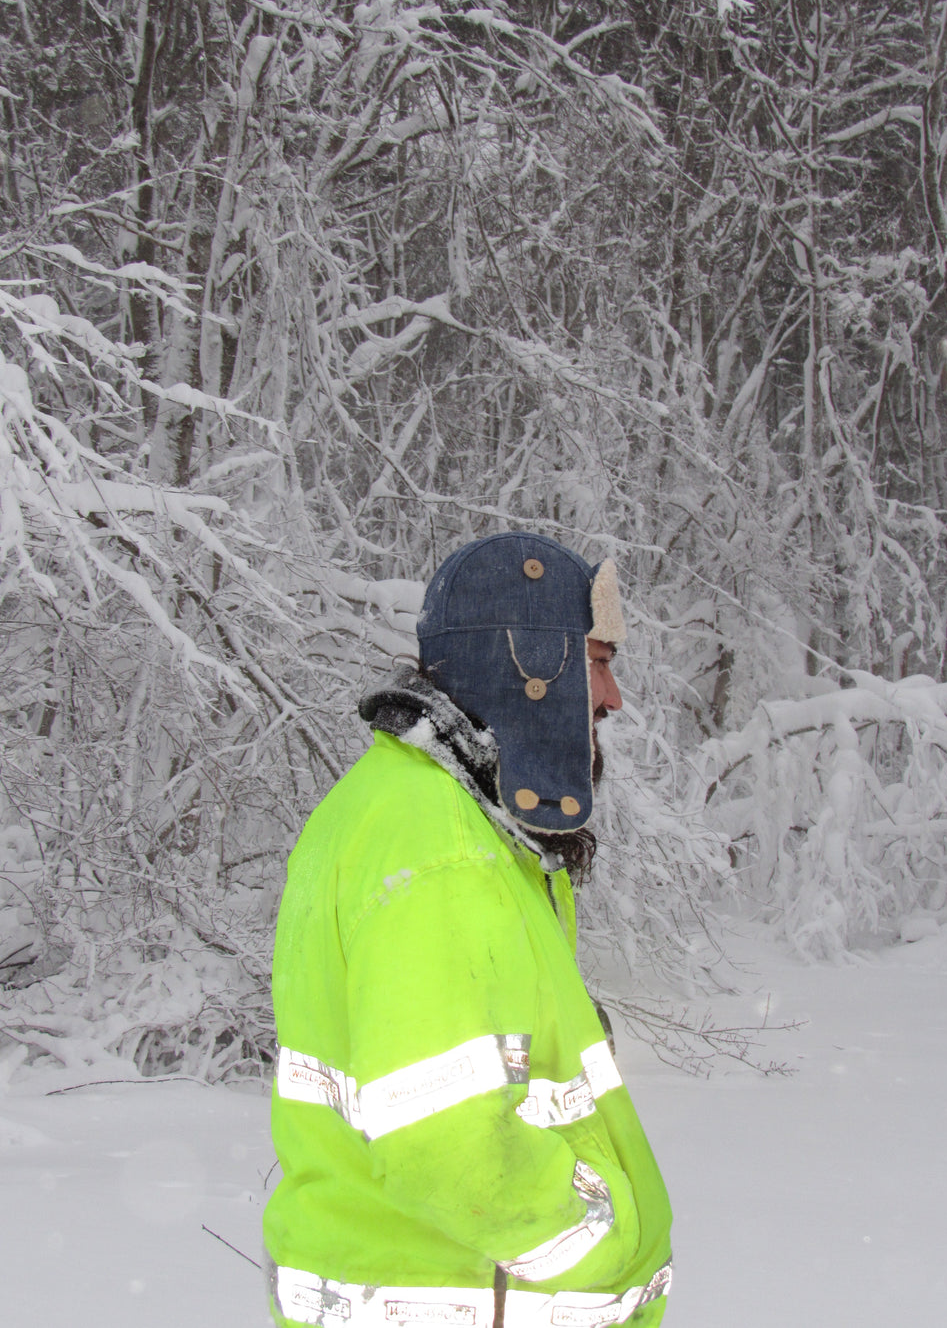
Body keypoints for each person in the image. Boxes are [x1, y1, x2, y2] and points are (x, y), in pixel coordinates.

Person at [263, 532, 673, 1328]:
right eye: (595, 663)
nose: (613, 697)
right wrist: (605, 1237)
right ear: (531, 673)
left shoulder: (425, 814)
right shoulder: (437, 845)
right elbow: (446, 1142)